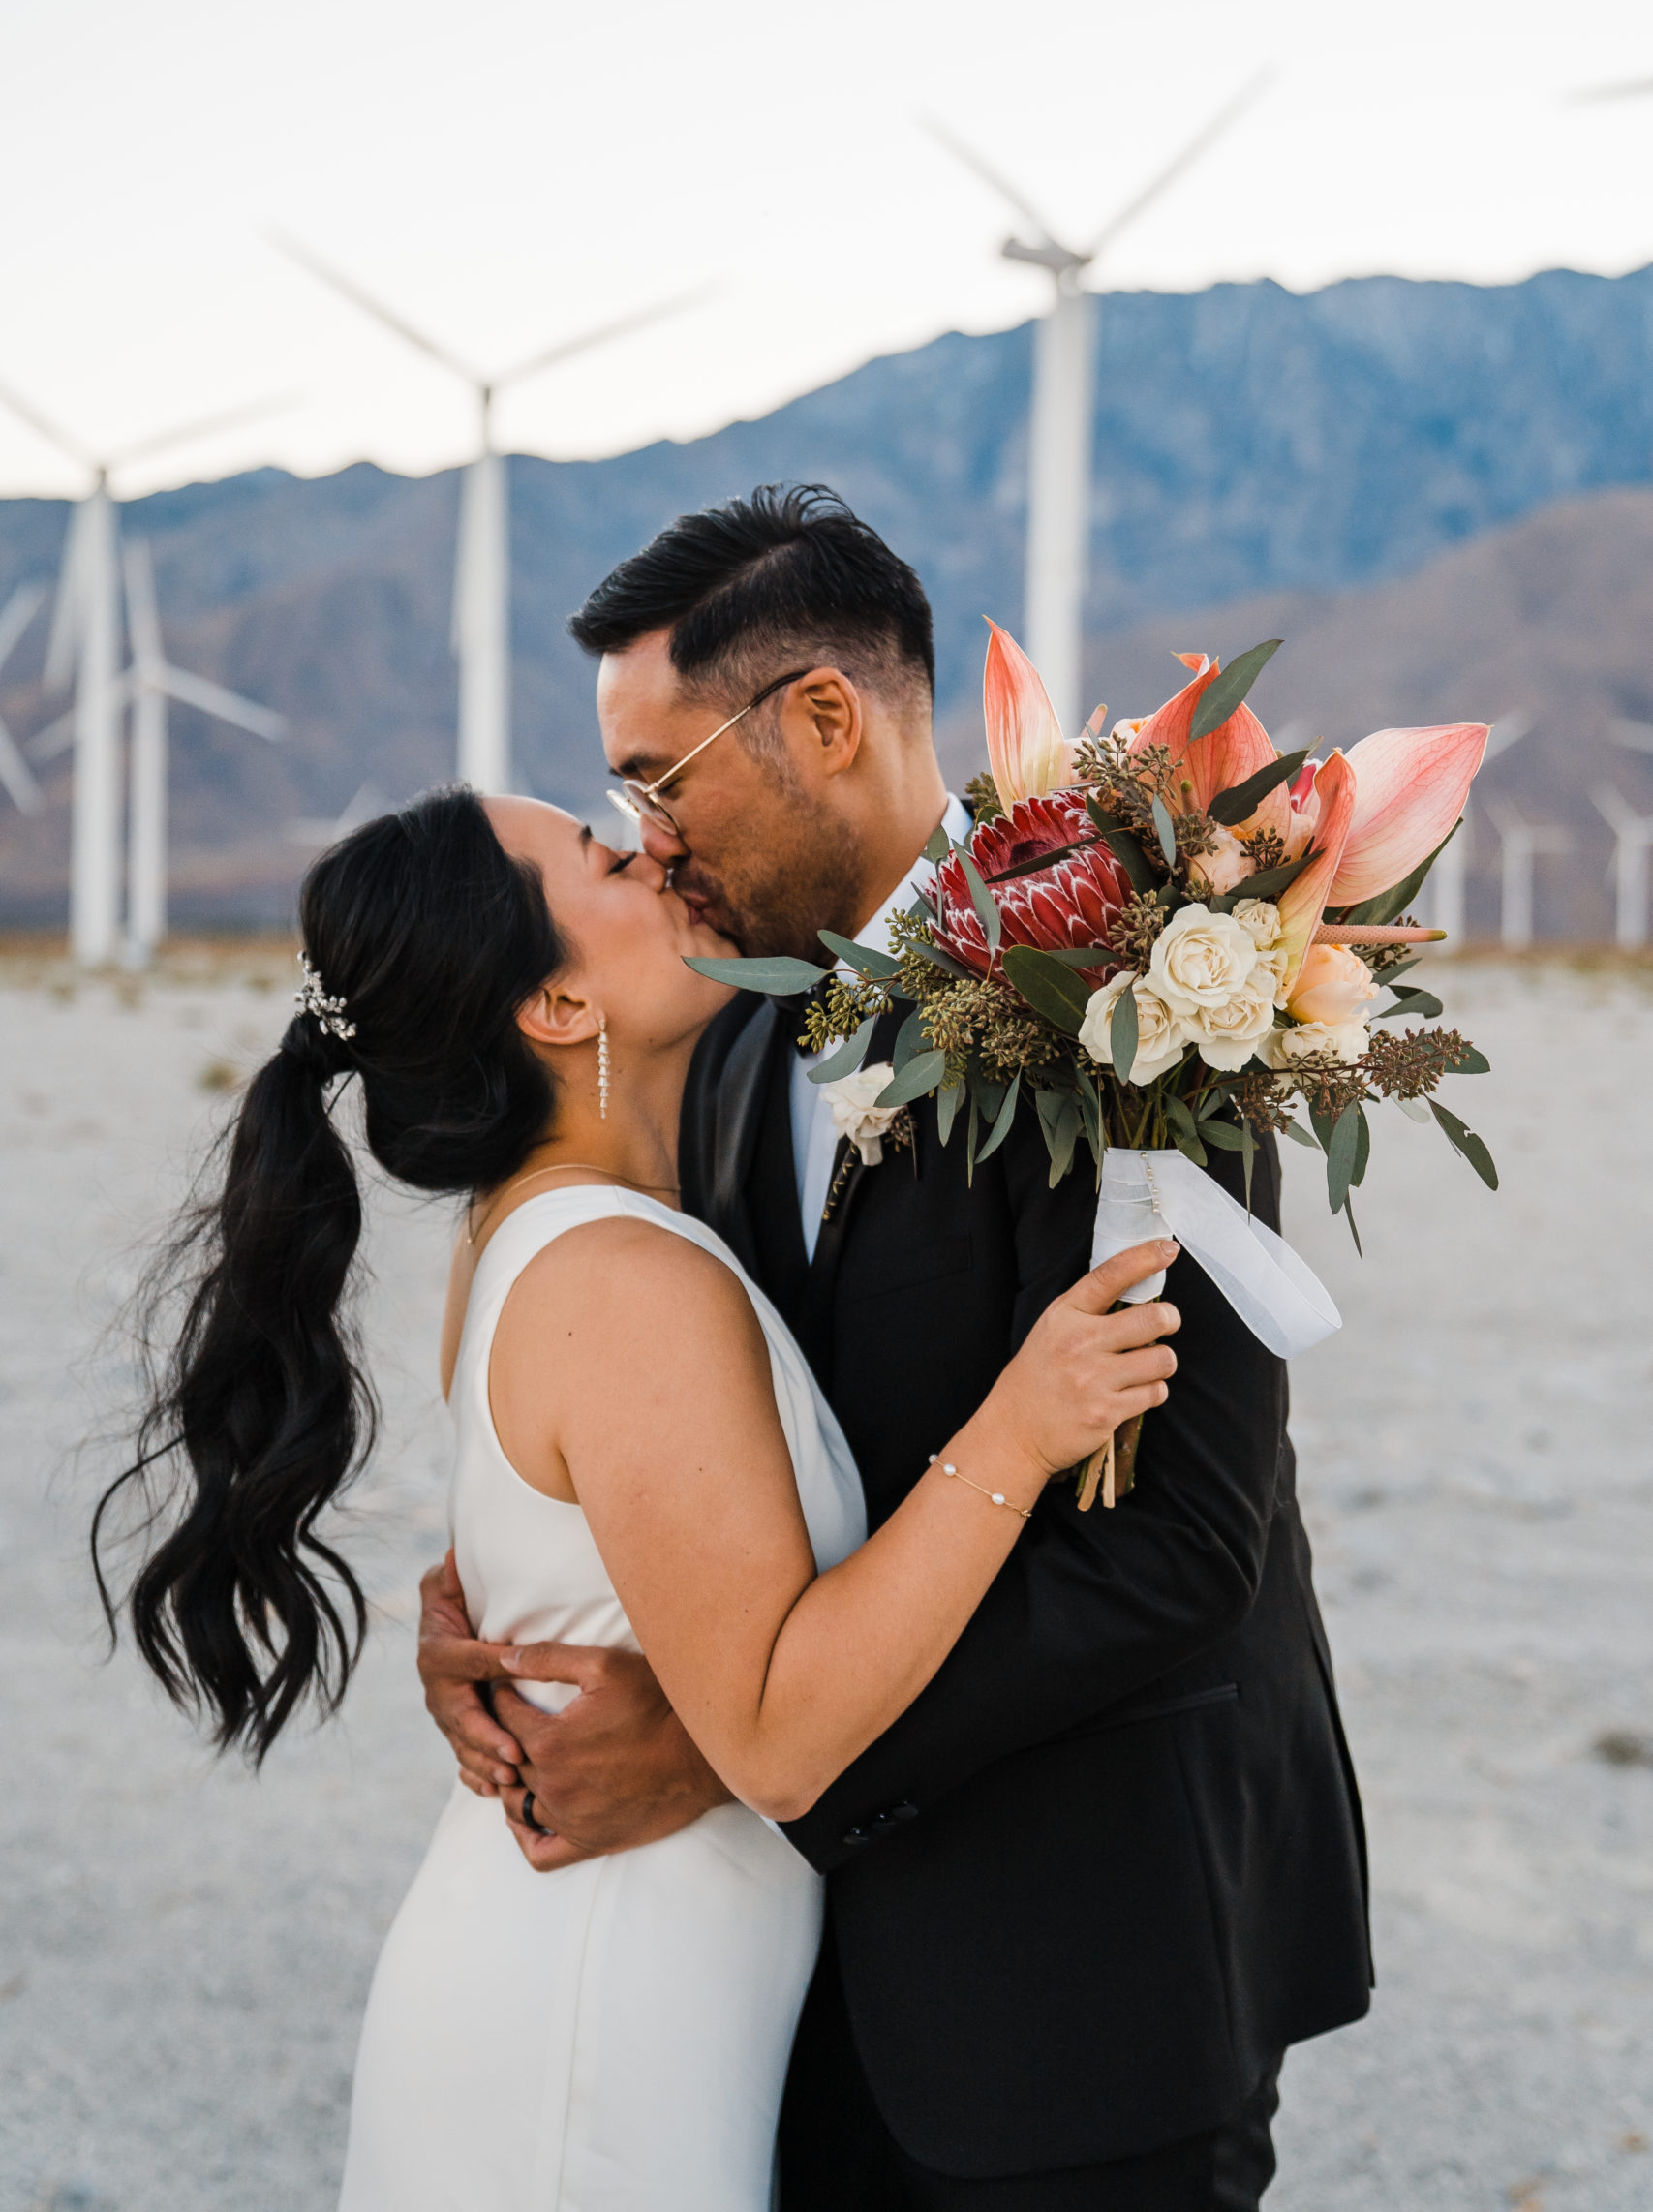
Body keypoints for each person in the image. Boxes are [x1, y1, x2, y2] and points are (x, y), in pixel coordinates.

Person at [419, 485, 1374, 2211]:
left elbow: (1179, 1547)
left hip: (1087, 1979)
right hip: (790, 1993)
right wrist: (522, 1615)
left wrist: (729, 1743)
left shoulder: (1136, 986)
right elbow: (694, 1429)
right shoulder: (705, 1038)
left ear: (824, 719)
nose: (643, 836)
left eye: (658, 774)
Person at [96, 782, 1179, 2211]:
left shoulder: (538, 1233)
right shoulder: (621, 1282)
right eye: (609, 855)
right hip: (595, 2018)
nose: (660, 845)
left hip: (606, 1968)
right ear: (554, 1005)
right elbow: (781, 1745)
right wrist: (1022, 1431)